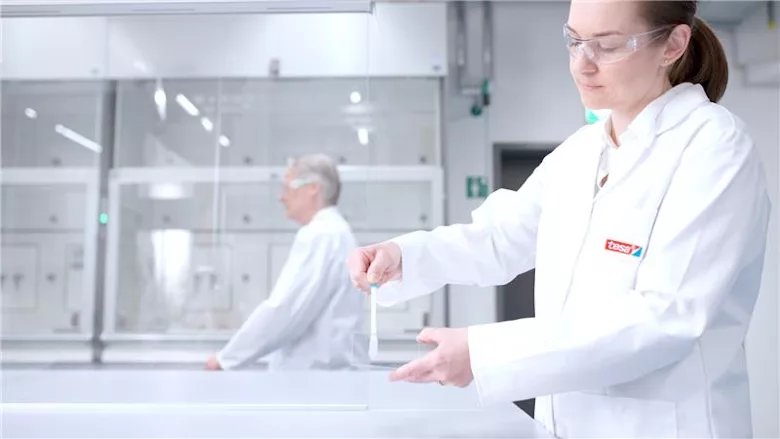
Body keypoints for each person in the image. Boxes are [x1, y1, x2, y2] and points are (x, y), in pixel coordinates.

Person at [347, 1, 771, 438]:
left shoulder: (714, 147)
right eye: (574, 41)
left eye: (606, 46)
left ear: (673, 44)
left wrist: (484, 353)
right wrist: (405, 256)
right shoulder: (581, 152)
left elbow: (664, 317)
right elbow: (500, 238)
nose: (581, 65)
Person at [207, 154, 367, 371]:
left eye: (287, 187)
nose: (281, 198)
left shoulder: (321, 235)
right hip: (327, 380)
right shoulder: (336, 233)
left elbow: (285, 311)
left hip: (312, 384)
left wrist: (227, 359)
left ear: (313, 188)